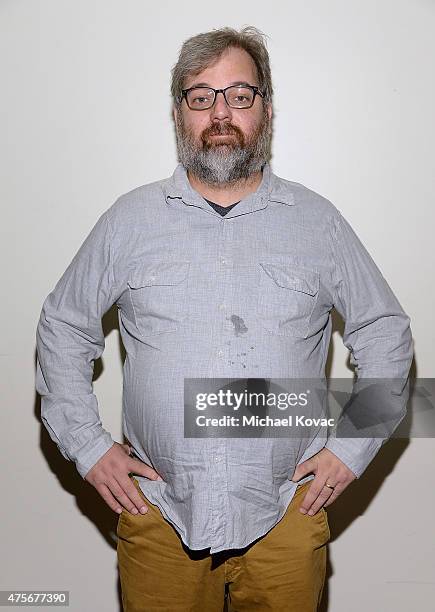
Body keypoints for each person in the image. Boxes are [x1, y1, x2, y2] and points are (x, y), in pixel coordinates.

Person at [35, 26, 414, 612]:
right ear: (179, 112)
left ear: (265, 108)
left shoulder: (318, 223)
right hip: (159, 514)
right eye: (201, 95)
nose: (221, 113)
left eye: (239, 94)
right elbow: (62, 327)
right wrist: (86, 446)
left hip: (289, 511)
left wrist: (352, 447)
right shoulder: (128, 221)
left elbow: (386, 334)